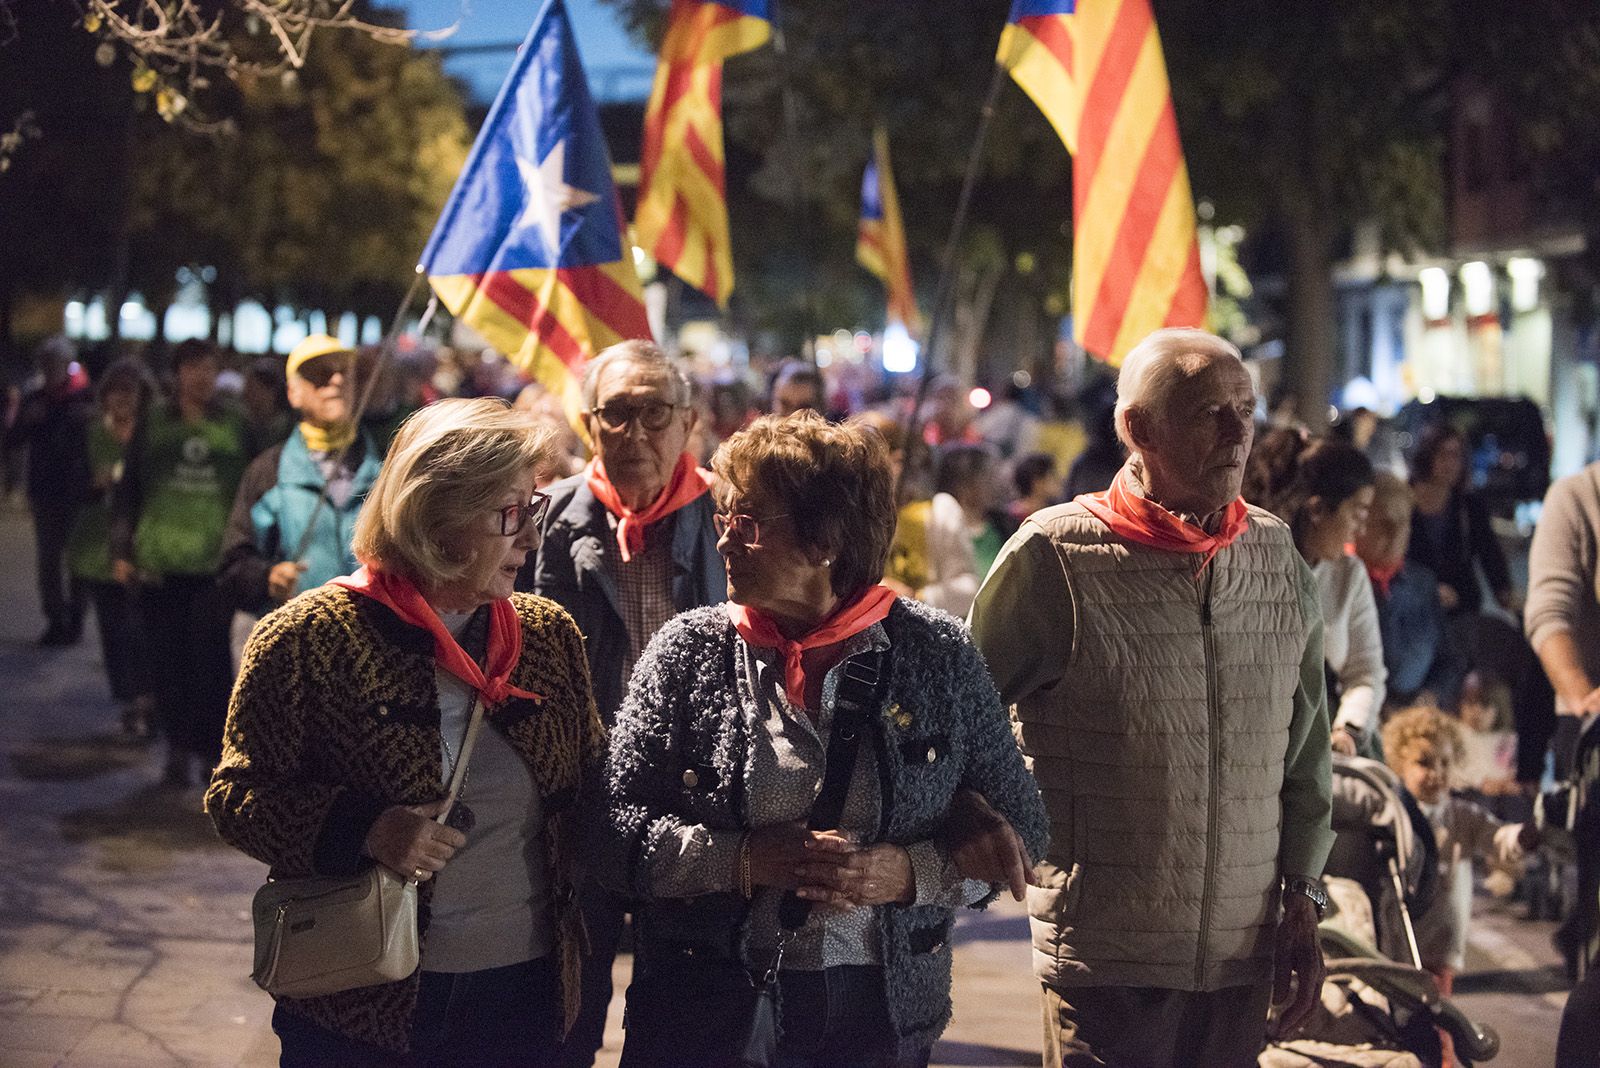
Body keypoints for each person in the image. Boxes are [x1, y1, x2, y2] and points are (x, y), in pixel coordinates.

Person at [605, 412, 1048, 1068]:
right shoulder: (688, 651)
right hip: (706, 1004)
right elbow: (614, 831)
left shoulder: (934, 651)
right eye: (726, 516)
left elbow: (1026, 837)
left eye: (748, 523)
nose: (725, 541)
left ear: (826, 540)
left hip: (879, 1012)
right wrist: (742, 860)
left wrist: (907, 875)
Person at [970, 328, 1333, 1068]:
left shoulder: (1274, 554)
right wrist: (971, 816)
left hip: (1241, 956)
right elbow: (961, 716)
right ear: (1137, 428)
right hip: (1108, 961)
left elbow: (1306, 751)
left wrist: (1305, 894)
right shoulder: (1055, 556)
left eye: (1247, 409)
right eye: (1210, 413)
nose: (1238, 434)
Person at [207, 398, 605, 1067]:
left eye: (534, 510)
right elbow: (237, 800)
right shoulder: (307, 638)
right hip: (362, 999)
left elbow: (590, 777)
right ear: (436, 515)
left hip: (526, 996)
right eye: (512, 515)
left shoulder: (547, 636)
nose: (533, 539)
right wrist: (363, 828)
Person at [520, 339, 724, 1068]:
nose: (635, 433)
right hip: (583, 801)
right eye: (616, 413)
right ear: (587, 423)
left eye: (654, 412)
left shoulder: (734, 523)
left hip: (698, 806)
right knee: (564, 1014)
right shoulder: (545, 522)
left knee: (681, 1021)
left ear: (688, 422)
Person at [112, 339, 249, 787]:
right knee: (167, 663)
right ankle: (176, 749)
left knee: (211, 666)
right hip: (160, 564)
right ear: (177, 373)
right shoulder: (153, 424)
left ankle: (213, 753)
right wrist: (120, 550)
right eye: (193, 368)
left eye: (210, 368)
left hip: (215, 567)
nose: (202, 377)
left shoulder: (236, 426)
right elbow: (128, 490)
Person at [219, 335, 382, 623]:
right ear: (293, 393)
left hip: (369, 640)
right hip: (291, 638)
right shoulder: (269, 471)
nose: (336, 381)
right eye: (320, 375)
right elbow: (234, 564)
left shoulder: (387, 472)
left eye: (345, 372)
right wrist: (267, 578)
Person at [1256, 433, 1387, 756]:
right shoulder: (1256, 568)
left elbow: (1366, 671)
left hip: (1332, 743)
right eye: (1356, 513)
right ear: (1316, 511)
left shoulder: (1348, 575)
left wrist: (1348, 730)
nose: (1361, 529)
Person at [66, 357, 156, 736]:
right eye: (115, 391)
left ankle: (145, 700)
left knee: (142, 629)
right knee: (113, 630)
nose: (122, 399)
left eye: (130, 392)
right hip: (96, 547)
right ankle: (130, 698)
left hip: (142, 549)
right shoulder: (89, 433)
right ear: (104, 396)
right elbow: (66, 483)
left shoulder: (151, 434)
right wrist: (92, 483)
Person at [1353, 472, 1467, 711]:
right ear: (1359, 522)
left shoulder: (1423, 583)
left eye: (1403, 522)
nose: (1395, 534)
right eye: (1384, 523)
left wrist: (1430, 696)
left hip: (1411, 719)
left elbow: (1448, 661)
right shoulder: (1340, 580)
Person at [7, 335, 94, 645]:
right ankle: (55, 618)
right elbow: (12, 440)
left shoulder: (84, 399)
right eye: (46, 363)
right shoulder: (35, 399)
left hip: (78, 491)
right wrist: (25, 423)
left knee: (77, 560)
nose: (50, 368)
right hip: (44, 490)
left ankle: (75, 618)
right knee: (48, 560)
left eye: (55, 362)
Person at [1407, 423, 1513, 620]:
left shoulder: (1469, 506)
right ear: (1427, 456)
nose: (1450, 463)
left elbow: (1489, 552)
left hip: (1461, 609)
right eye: (1442, 454)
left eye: (1456, 455)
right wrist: (1428, 590)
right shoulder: (1405, 501)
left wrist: (1504, 592)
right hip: (1413, 610)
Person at [1008, 451, 1060, 524]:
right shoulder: (1012, 517)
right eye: (1052, 475)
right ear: (1037, 482)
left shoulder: (1052, 512)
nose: (1058, 480)